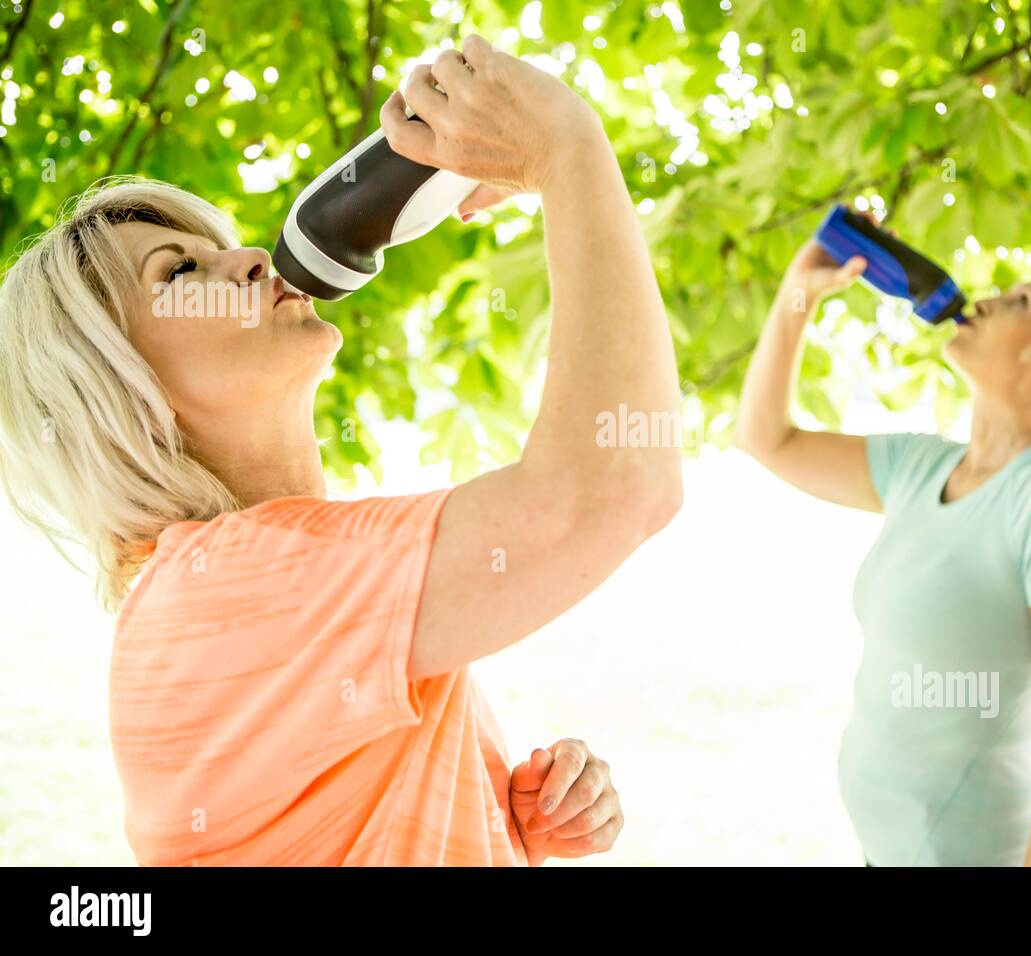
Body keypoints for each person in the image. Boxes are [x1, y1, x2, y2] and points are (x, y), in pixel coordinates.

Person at [0, 35, 682, 866]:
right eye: (180, 274)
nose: (250, 258)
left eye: (219, 247)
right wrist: (567, 151)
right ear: (120, 398)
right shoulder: (230, 591)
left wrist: (511, 824)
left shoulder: (275, 587)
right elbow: (613, 486)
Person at [735, 220, 1031, 865]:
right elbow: (769, 439)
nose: (983, 301)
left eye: (1018, 303)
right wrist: (800, 292)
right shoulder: (919, 467)